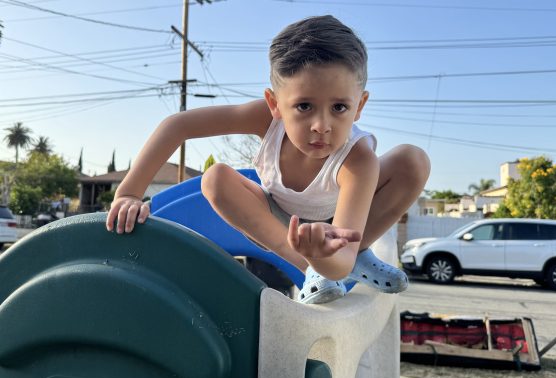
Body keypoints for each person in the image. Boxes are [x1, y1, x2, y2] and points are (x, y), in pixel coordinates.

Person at [106, 15, 430, 304]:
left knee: (412, 161)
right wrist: (129, 193)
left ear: (360, 105)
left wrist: (331, 257)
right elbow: (177, 126)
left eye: (339, 108)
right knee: (214, 178)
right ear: (275, 103)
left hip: (340, 228)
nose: (321, 125)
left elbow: (339, 263)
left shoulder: (358, 159)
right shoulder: (266, 119)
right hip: (277, 217)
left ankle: (349, 256)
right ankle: (303, 263)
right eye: (304, 106)